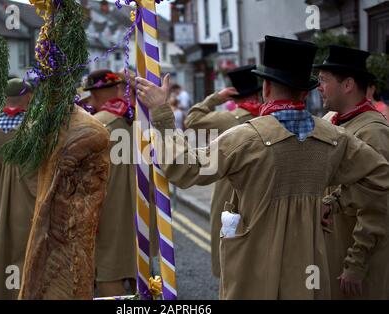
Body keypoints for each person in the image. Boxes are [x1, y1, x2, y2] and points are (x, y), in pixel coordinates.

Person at [136, 35, 389, 299]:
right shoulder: (334, 137)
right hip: (310, 270)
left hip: (255, 269)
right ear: (305, 92)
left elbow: (183, 169)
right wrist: (335, 202)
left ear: (266, 88)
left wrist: (163, 114)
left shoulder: (246, 137)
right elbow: (381, 175)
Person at [315, 45, 389, 299]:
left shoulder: (373, 131)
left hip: (357, 260)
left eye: (324, 80)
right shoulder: (329, 120)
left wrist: (356, 264)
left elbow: (378, 205)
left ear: (347, 85)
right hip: (333, 250)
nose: (318, 86)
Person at [184, 65, 262, 278]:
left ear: (234, 93)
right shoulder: (269, 116)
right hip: (263, 189)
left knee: (229, 247)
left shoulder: (227, 119)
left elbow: (191, 120)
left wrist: (214, 99)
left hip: (230, 191)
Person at [0, 78, 37, 300]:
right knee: (28, 257)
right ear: (29, 97)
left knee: (2, 256)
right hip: (30, 204)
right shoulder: (37, 131)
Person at [83, 69, 137, 297]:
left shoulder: (94, 125)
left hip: (108, 208)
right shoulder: (137, 117)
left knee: (109, 272)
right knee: (139, 268)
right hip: (140, 205)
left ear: (94, 94)